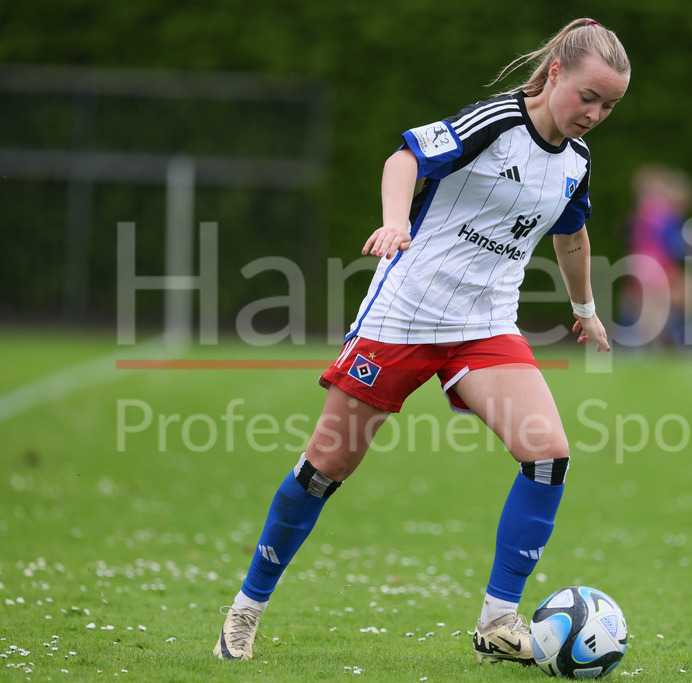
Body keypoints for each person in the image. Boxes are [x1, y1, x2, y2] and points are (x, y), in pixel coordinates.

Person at [212, 18, 630, 667]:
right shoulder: (496, 123)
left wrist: (588, 310)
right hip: (405, 316)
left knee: (548, 452)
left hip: (485, 324)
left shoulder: (575, 164)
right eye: (589, 97)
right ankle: (247, 606)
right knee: (326, 467)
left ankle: (499, 619)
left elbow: (571, 237)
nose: (596, 113)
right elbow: (404, 159)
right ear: (555, 75)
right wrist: (394, 222)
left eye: (609, 105)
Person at [619, 164, 692, 347]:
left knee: (650, 305)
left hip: (648, 262)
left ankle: (647, 340)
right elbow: (668, 241)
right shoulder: (657, 211)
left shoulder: (647, 211)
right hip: (653, 263)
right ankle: (649, 341)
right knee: (653, 306)